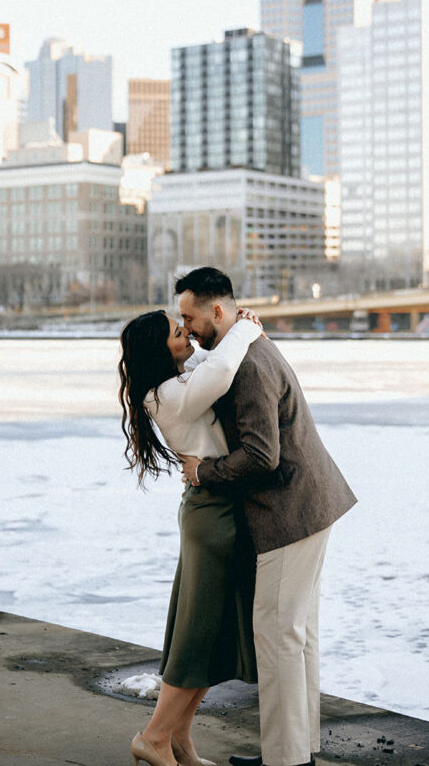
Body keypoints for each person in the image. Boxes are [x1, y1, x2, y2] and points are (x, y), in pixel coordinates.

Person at [177, 267, 357, 766]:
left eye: (190, 317)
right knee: (297, 637)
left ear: (218, 310)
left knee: (278, 637)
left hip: (287, 514)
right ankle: (297, 751)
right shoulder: (248, 344)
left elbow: (261, 456)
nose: (186, 328)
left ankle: (285, 760)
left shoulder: (249, 364)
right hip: (312, 505)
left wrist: (202, 472)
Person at [119, 307, 263, 766]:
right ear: (158, 350)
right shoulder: (165, 395)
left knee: (210, 632)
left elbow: (210, 363)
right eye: (177, 332)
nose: (187, 334)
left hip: (216, 509)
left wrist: (234, 330)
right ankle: (154, 737)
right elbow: (220, 371)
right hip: (211, 515)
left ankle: (178, 738)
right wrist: (246, 329)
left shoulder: (176, 384)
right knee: (197, 634)